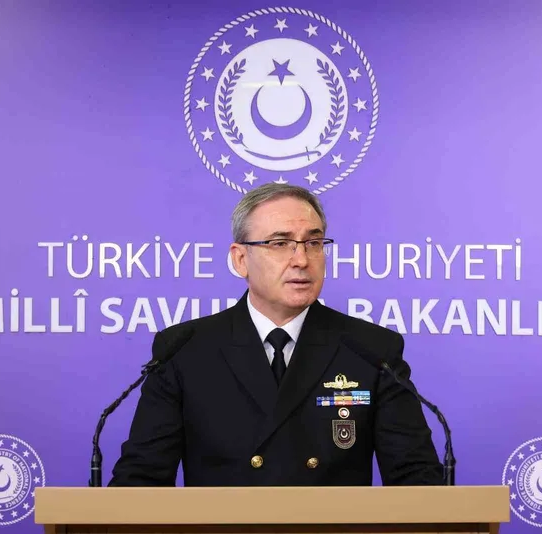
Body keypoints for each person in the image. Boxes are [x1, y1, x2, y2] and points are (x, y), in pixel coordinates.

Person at [108, 183, 444, 486]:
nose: (302, 260)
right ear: (241, 259)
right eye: (280, 243)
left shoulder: (371, 350)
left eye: (313, 243)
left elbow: (418, 481)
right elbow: (140, 482)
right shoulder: (184, 350)